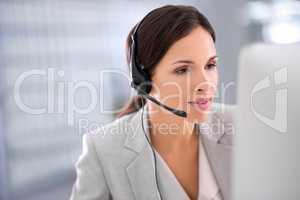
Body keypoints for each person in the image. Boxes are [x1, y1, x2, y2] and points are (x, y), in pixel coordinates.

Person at [69, 4, 235, 200]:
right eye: (182, 70)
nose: (205, 84)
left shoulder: (243, 126)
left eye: (210, 65)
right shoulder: (103, 151)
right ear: (144, 78)